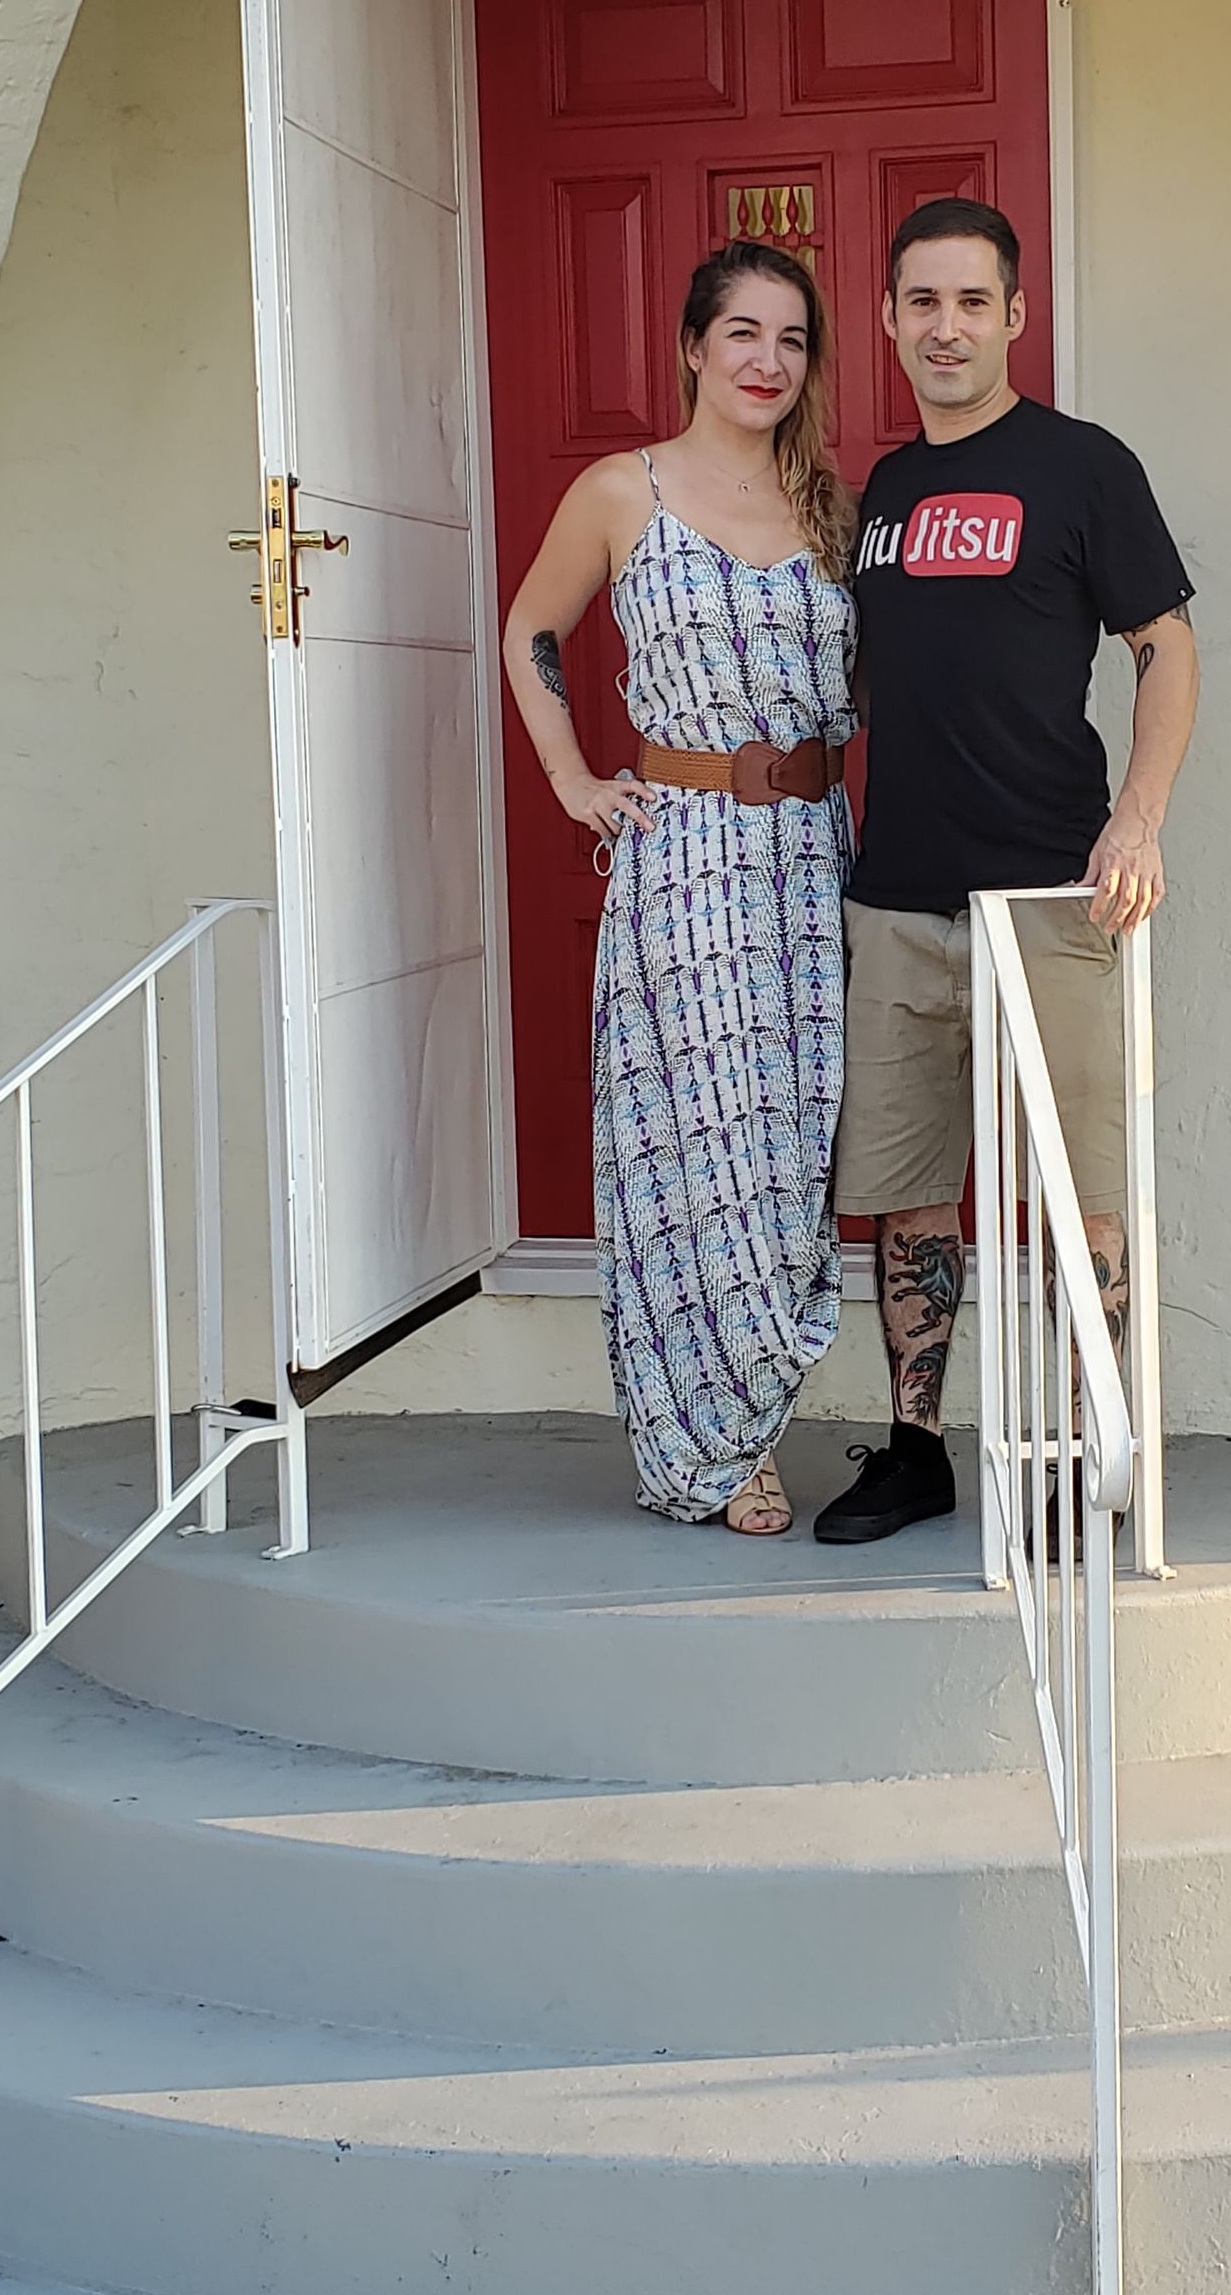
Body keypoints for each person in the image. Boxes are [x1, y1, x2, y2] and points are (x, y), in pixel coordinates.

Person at [814, 198, 1199, 1546]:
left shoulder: (1084, 468)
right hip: (899, 894)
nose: (946, 327)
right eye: (922, 302)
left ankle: (1104, 1447)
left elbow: (1167, 651)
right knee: (913, 1187)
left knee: (1077, 1184)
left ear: (1016, 317)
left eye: (973, 302)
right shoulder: (887, 493)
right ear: (888, 321)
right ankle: (917, 1447)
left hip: (1047, 892)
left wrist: (1137, 822)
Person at [504, 242, 857, 1537]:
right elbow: (530, 629)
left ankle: (750, 1401)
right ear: (694, 348)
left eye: (793, 339)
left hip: (812, 863)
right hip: (689, 857)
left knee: (789, 1147)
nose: (768, 360)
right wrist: (573, 781)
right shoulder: (623, 490)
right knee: (697, 1140)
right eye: (744, 334)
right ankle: (715, 1445)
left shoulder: (830, 509)